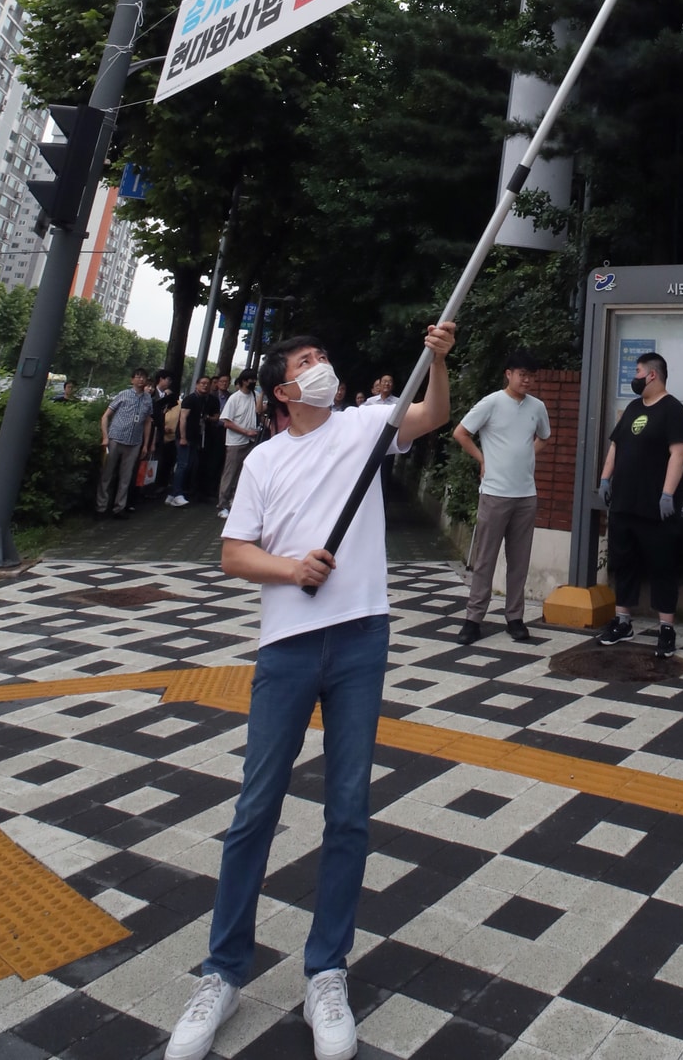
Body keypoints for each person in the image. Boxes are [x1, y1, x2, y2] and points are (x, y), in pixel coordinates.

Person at [164, 322, 456, 1060]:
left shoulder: (363, 425)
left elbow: (432, 417)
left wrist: (441, 364)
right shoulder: (264, 460)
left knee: (348, 810)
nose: (322, 365)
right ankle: (223, 971)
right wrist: (292, 570)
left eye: (323, 355)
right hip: (288, 646)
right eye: (306, 362)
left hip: (362, 637)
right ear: (285, 390)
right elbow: (234, 554)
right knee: (255, 807)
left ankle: (327, 970)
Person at [596, 351, 683, 660]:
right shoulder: (633, 408)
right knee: (623, 562)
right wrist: (605, 479)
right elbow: (616, 445)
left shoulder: (673, 410)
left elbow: (678, 454)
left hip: (655, 507)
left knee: (662, 565)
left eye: (637, 371)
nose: (634, 377)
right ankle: (623, 621)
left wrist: (667, 494)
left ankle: (666, 629)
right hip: (624, 503)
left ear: (652, 375)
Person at [452, 348, 550, 645]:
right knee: (485, 559)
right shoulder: (492, 402)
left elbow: (544, 437)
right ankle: (473, 618)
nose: (527, 380)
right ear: (508, 374)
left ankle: (515, 617)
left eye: (531, 376)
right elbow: (461, 432)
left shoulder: (537, 407)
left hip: (525, 495)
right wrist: (483, 460)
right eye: (522, 375)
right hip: (494, 493)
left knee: (519, 560)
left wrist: (526, 458)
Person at [96, 369, 155, 519]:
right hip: (116, 438)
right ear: (132, 380)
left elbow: (148, 422)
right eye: (138, 377)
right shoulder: (123, 395)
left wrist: (145, 444)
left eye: (144, 377)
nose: (141, 380)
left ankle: (119, 507)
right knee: (107, 474)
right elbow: (106, 416)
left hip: (134, 442)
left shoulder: (148, 399)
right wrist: (105, 437)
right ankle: (101, 507)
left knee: (126, 477)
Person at [217, 372, 262, 516]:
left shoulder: (255, 395)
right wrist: (245, 431)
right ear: (243, 381)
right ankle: (222, 504)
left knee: (243, 474)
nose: (253, 381)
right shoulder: (234, 398)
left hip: (251, 441)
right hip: (236, 442)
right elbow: (226, 421)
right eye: (250, 379)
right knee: (230, 473)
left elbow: (260, 411)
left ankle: (234, 501)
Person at [181, 375, 221, 501]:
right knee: (186, 464)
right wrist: (183, 437)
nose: (205, 385)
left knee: (202, 464)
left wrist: (208, 418)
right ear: (197, 385)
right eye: (202, 383)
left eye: (207, 383)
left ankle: (200, 491)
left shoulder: (212, 400)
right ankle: (180, 491)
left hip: (205, 436)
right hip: (189, 436)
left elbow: (217, 417)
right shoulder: (190, 399)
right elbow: (183, 418)